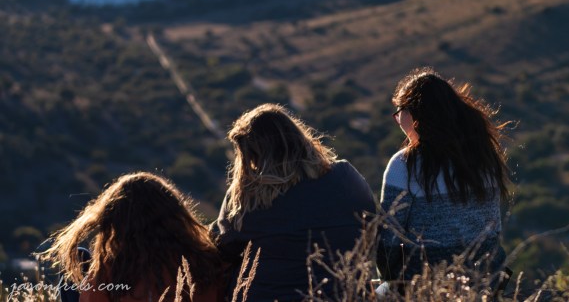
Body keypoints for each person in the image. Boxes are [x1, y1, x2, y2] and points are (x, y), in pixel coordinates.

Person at [212, 103, 376, 301]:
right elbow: (373, 224)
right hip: (348, 295)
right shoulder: (345, 177)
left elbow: (220, 248)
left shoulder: (249, 195)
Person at [377, 68, 510, 288]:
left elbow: (389, 241)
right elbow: (493, 230)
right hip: (487, 282)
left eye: (399, 111)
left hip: (426, 286)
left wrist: (389, 282)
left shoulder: (405, 165)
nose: (397, 120)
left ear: (416, 113)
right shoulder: (484, 156)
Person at [38, 172, 223, 302]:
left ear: (116, 221)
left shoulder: (115, 268)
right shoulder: (205, 258)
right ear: (176, 213)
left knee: (78, 257)